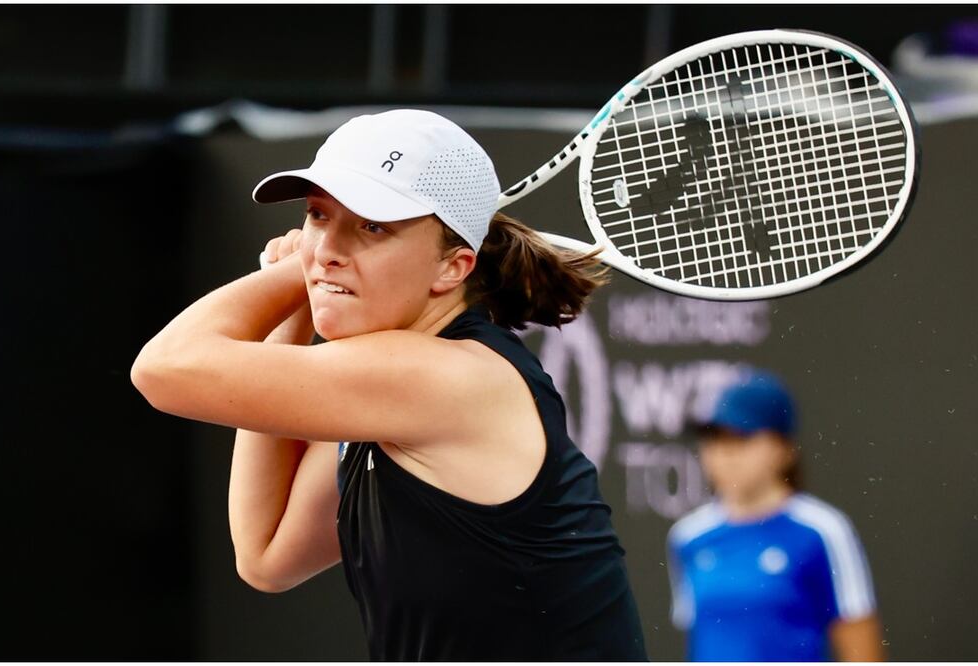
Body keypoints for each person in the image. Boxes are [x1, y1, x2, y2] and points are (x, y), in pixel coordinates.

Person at [131, 109, 647, 661]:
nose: (328, 245)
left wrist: (293, 274)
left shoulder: (436, 376)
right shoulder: (389, 392)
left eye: (372, 226)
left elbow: (164, 368)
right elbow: (267, 556)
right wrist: (300, 305)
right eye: (318, 216)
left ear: (453, 268)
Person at [667, 370, 885, 662]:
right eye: (715, 439)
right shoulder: (688, 536)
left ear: (784, 450)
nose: (725, 454)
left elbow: (862, 652)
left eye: (742, 438)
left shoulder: (822, 531)